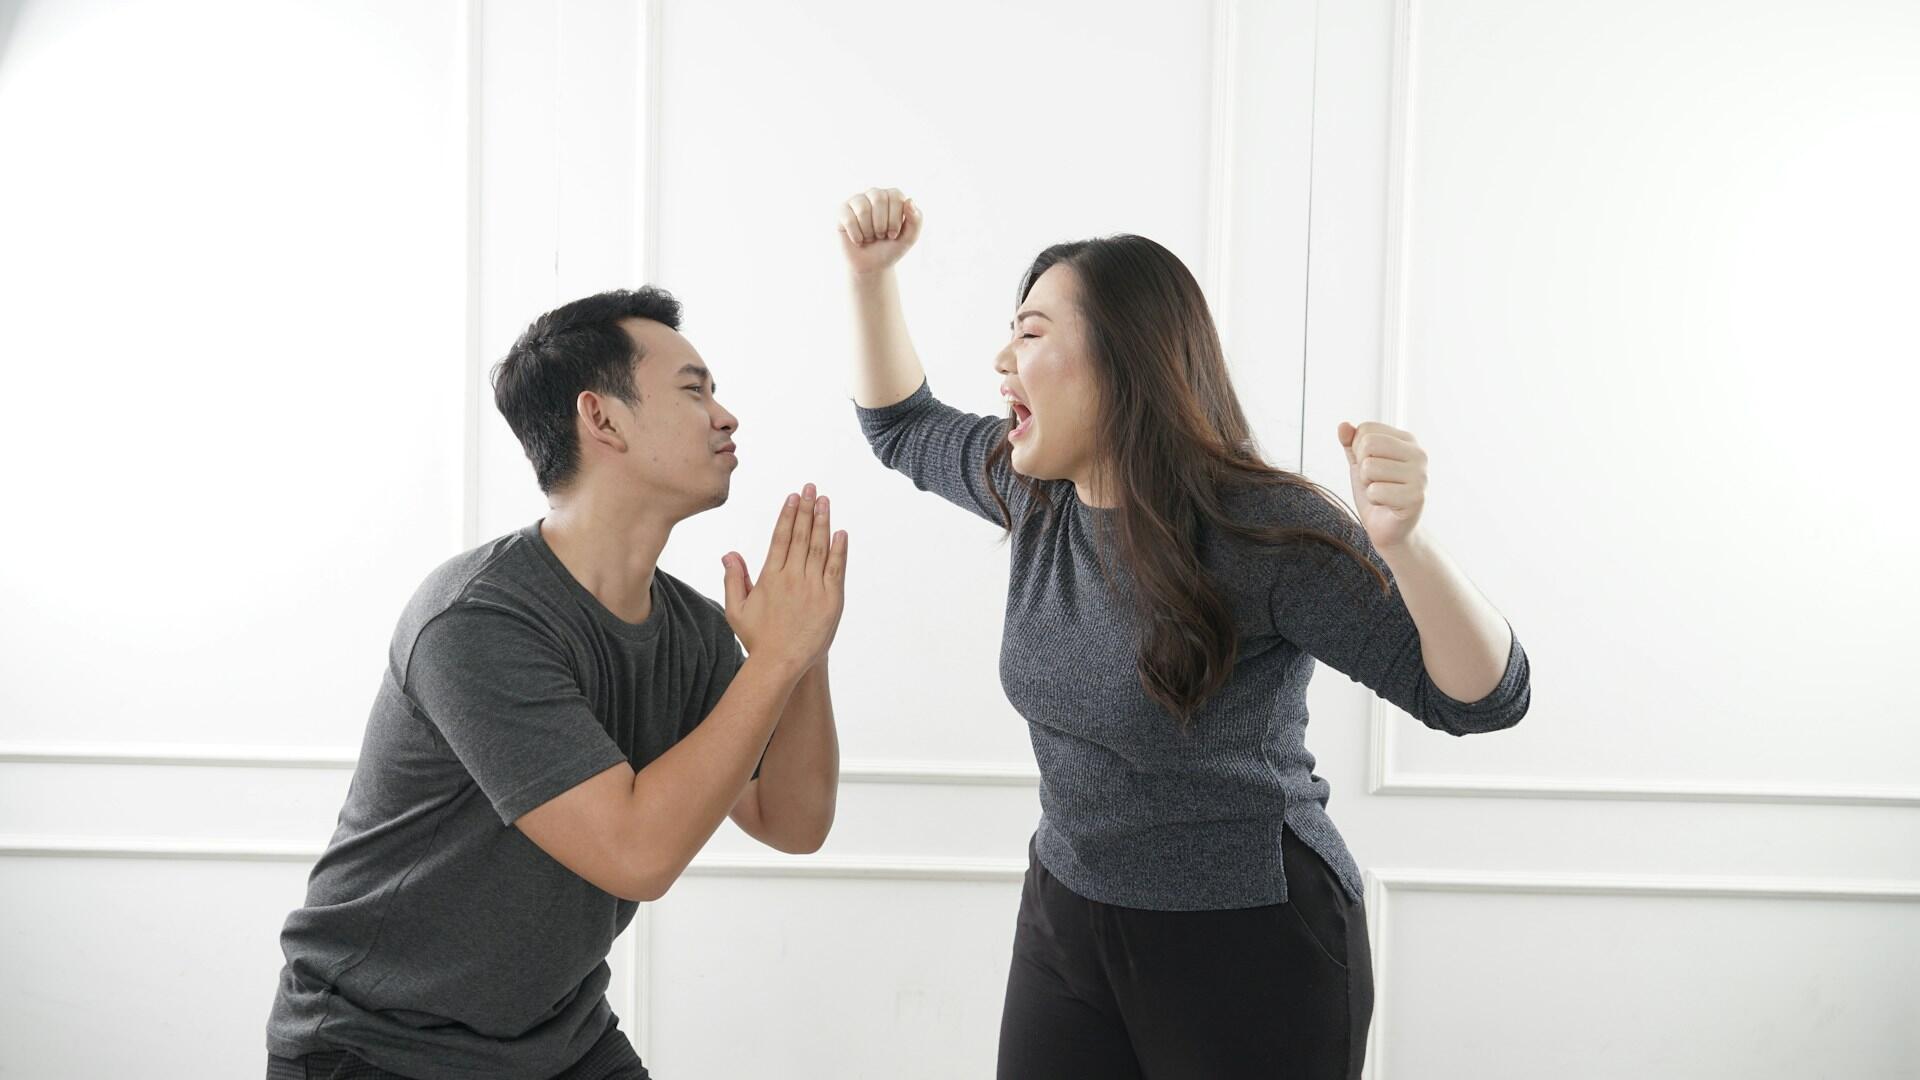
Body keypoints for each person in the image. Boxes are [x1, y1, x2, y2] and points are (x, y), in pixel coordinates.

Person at [837, 187, 1531, 1078]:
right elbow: (900, 425)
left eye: (1033, 331)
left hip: (1251, 939)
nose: (1003, 359)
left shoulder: (1262, 532)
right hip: (1068, 916)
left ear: (1124, 361)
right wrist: (870, 279)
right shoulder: (1035, 492)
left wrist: (1410, 547)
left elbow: (1481, 700)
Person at [265, 287, 848, 1079]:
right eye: (694, 389)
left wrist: (802, 652)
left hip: (557, 1039)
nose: (725, 415)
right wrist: (775, 660)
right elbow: (637, 852)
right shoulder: (476, 620)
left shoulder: (690, 630)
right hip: (378, 1044)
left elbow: (793, 819)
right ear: (601, 418)